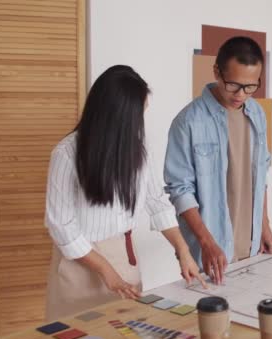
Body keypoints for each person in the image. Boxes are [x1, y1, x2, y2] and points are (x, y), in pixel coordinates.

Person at [44, 65, 206, 321]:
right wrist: (107, 273)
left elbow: (157, 203)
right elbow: (62, 227)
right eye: (137, 115)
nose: (140, 123)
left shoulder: (138, 150)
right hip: (80, 265)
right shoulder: (66, 154)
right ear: (116, 117)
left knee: (129, 331)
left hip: (125, 258)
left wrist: (183, 251)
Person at [164, 36, 272, 285]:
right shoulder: (188, 122)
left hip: (252, 246)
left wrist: (264, 225)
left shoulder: (256, 113)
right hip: (211, 256)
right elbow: (180, 191)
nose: (241, 95)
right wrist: (206, 242)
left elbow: (261, 174)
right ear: (216, 72)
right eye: (233, 85)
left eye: (250, 87)